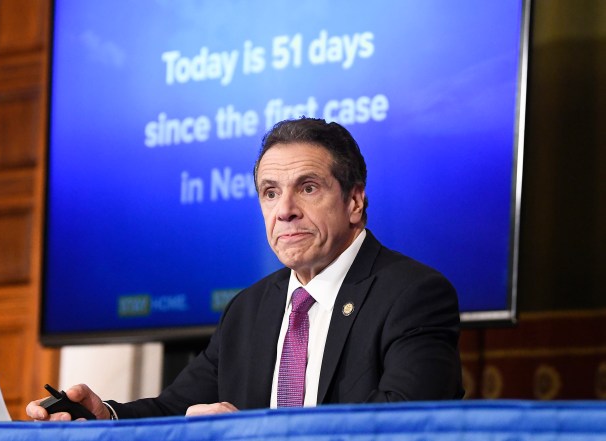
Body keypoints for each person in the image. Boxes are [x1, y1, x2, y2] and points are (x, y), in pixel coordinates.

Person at [27, 117, 463, 421]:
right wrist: (107, 414)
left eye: (307, 188)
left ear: (354, 201)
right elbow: (175, 409)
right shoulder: (248, 309)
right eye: (270, 193)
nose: (285, 211)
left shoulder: (414, 294)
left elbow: (402, 423)